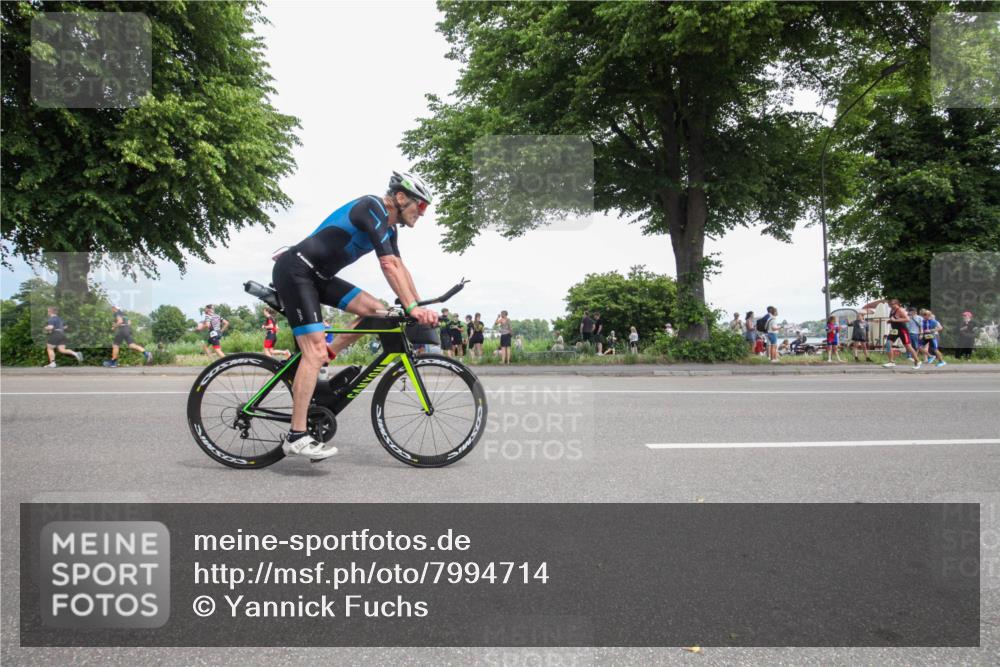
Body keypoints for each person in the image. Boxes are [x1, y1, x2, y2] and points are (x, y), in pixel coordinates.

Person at [270, 170, 438, 460]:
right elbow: (387, 264)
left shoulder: (390, 229)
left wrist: (417, 303)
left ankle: (326, 355)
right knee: (313, 350)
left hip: (318, 276)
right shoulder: (371, 207)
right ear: (400, 197)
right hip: (296, 271)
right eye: (420, 206)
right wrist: (412, 308)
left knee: (379, 312)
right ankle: (296, 436)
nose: (421, 214)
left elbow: (400, 266)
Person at [883, 299, 921, 369]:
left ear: (897, 304)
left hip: (902, 330)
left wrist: (895, 320)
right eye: (889, 304)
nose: (890, 306)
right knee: (888, 344)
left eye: (891, 304)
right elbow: (894, 319)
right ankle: (891, 362)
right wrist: (890, 321)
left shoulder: (900, 310)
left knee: (908, 347)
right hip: (894, 330)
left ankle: (917, 361)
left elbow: (907, 319)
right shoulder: (892, 310)